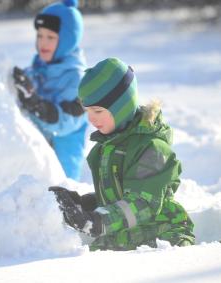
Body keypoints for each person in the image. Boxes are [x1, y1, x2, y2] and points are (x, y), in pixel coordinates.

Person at [49, 58, 195, 251]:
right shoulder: (105, 148)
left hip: (162, 235)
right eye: (88, 111)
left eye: (98, 110)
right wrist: (84, 205)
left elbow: (142, 203)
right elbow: (117, 195)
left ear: (121, 106)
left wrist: (97, 221)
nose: (91, 118)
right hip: (124, 236)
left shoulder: (152, 149)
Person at [11, 0, 88, 181]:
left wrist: (37, 104)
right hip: (36, 165)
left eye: (51, 37)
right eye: (40, 36)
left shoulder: (77, 79)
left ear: (68, 40)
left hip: (63, 172)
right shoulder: (35, 71)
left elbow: (66, 123)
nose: (43, 43)